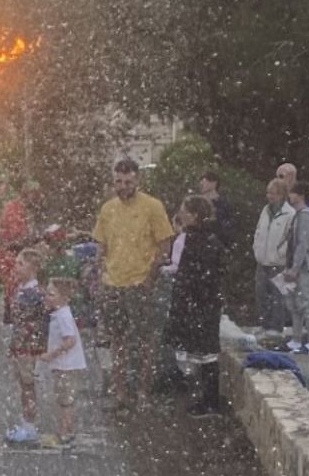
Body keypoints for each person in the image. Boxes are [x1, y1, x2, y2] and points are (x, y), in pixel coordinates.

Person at [91, 158, 177, 409]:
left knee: (145, 341)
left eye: (128, 181)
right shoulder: (108, 209)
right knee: (116, 340)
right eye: (118, 181)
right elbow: (101, 243)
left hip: (141, 283)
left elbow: (164, 244)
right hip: (113, 283)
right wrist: (100, 270)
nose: (123, 186)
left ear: (137, 180)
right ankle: (119, 394)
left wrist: (151, 276)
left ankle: (142, 393)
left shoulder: (153, 206)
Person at [167, 196, 226, 414]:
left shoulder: (202, 240)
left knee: (206, 354)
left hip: (201, 305)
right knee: (202, 352)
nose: (180, 214)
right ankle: (206, 399)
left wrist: (192, 300)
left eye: (184, 210)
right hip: (199, 304)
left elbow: (202, 276)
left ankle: (210, 401)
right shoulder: (201, 238)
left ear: (194, 215)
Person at [36, 277, 88, 447]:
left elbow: (70, 340)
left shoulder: (63, 315)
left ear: (64, 297)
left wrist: (52, 354)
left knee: (65, 399)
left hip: (67, 365)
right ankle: (66, 429)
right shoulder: (59, 313)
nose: (47, 298)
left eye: (51, 295)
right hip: (64, 365)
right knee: (63, 397)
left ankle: (65, 431)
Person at [4, 248, 48, 445]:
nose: (17, 267)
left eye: (21, 264)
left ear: (33, 268)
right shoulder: (23, 289)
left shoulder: (34, 293)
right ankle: (26, 423)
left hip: (28, 348)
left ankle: (30, 427)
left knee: (28, 387)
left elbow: (38, 322)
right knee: (24, 386)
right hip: (21, 345)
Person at [0, 179, 42, 322]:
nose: (36, 199)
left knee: (2, 284)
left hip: (6, 251)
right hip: (6, 252)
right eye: (34, 195)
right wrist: (32, 241)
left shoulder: (18, 208)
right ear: (27, 194)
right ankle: (10, 313)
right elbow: (15, 236)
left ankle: (4, 313)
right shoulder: (15, 210)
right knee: (12, 282)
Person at [280, 181, 309, 354]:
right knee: (294, 303)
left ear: (300, 195)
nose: (290, 196)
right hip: (293, 265)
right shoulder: (297, 215)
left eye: (292, 193)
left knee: (305, 302)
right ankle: (296, 338)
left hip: (303, 267)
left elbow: (303, 244)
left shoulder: (305, 216)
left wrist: (295, 267)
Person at [251, 179, 296, 339]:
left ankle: (276, 327)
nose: (270, 196)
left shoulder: (290, 214)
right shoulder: (265, 210)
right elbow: (258, 231)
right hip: (262, 260)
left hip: (278, 263)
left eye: (274, 193)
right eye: (268, 192)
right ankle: (264, 324)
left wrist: (279, 254)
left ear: (282, 195)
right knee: (261, 294)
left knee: (277, 296)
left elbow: (290, 239)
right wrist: (256, 248)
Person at [197, 171, 234, 244]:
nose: (201, 183)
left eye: (204, 181)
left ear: (214, 183)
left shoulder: (224, 204)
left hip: (216, 246)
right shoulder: (196, 203)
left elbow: (228, 227)